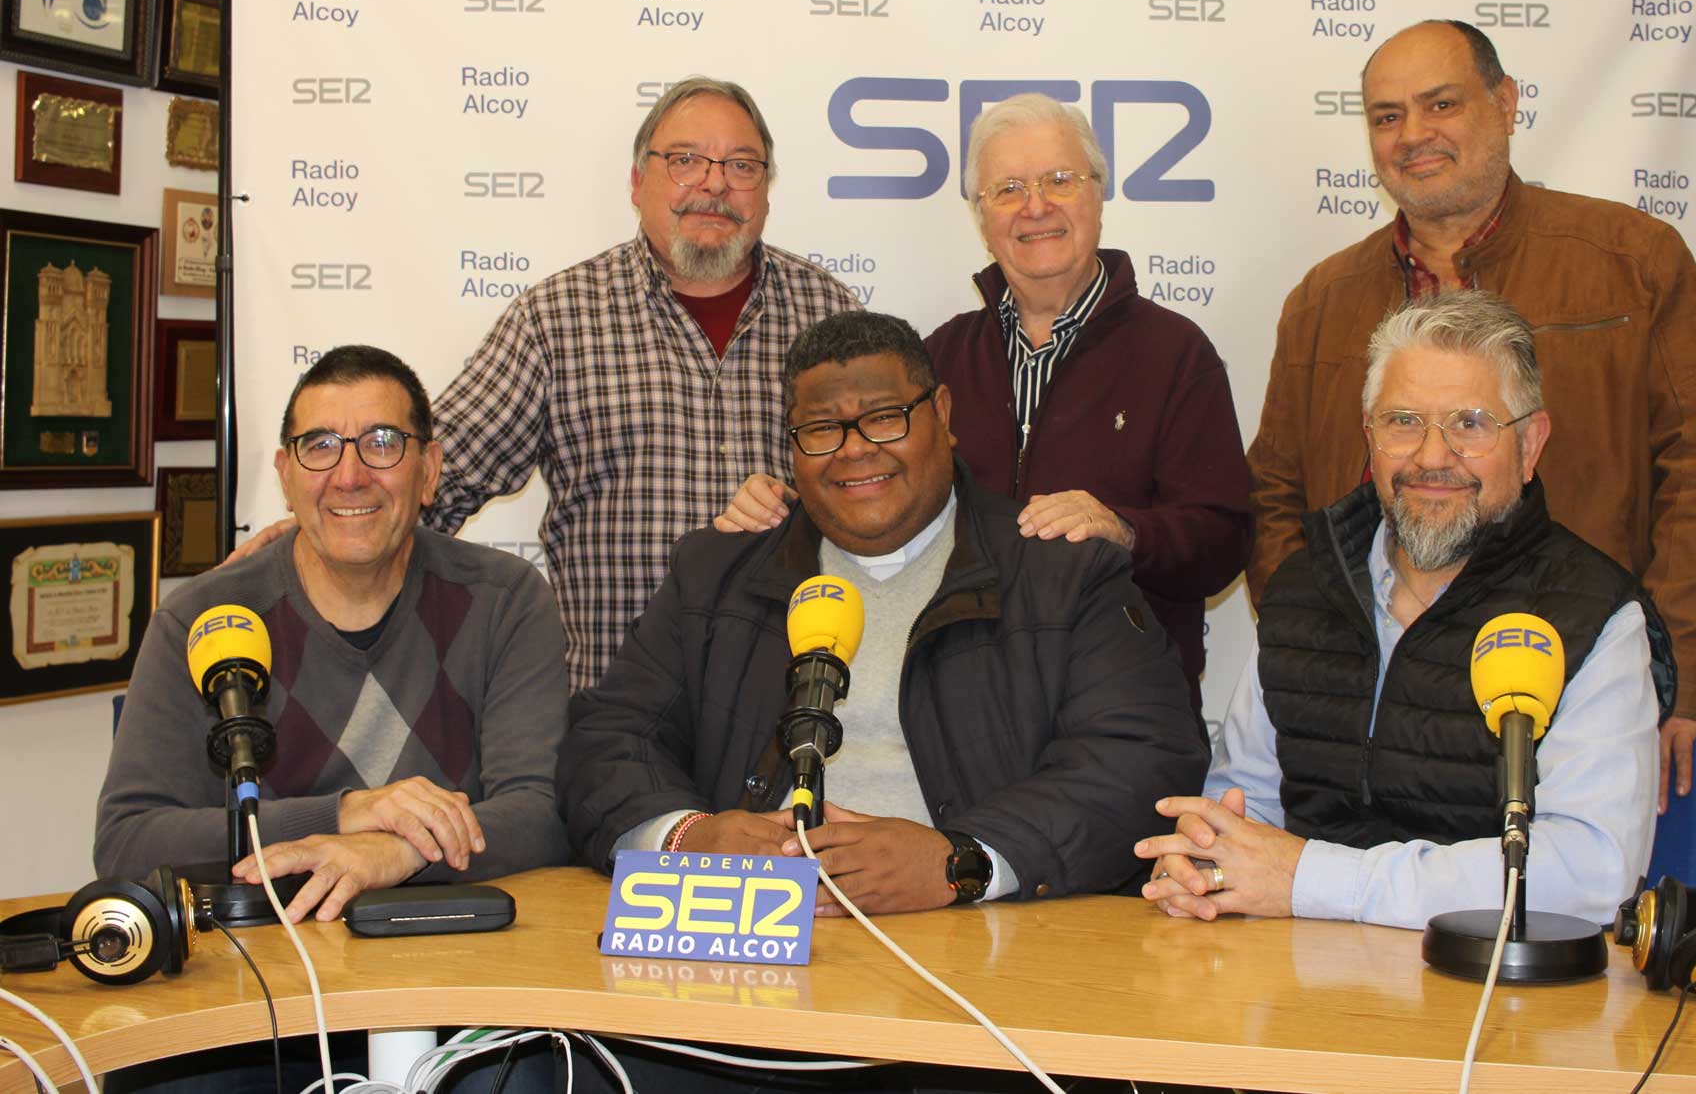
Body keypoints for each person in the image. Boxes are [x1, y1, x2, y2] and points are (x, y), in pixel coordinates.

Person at [1245, 19, 1696, 811]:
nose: (1413, 135)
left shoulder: (1634, 261)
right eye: (1386, 116)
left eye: (1440, 103)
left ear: (1507, 102)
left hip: (1583, 700)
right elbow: (1273, 490)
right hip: (1368, 723)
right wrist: (1318, 658)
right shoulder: (1321, 302)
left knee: (1574, 916)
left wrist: (1672, 671)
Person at [232, 77, 862, 693]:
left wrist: (802, 511)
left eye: (742, 165)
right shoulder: (557, 318)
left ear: (767, 192)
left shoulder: (831, 315)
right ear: (639, 182)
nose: (715, 183)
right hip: (615, 713)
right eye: (686, 159)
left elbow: (880, 493)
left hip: (793, 697)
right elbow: (431, 475)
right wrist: (313, 536)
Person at [560, 310, 1204, 906]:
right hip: (749, 936)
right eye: (820, 429)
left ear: (943, 415)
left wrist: (963, 861)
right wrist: (685, 837)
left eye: (885, 416)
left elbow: (1141, 757)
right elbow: (609, 740)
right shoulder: (717, 571)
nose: (854, 448)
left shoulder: (1060, 569)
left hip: (976, 949)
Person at [94, 345, 575, 1091]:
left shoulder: (505, 600)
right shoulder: (202, 619)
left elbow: (542, 814)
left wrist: (399, 852)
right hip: (256, 1005)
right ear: (285, 475)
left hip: (462, 991)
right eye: (319, 445)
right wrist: (344, 816)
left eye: (383, 442)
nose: (350, 474)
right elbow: (127, 841)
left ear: (430, 469)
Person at [1140, 292, 1670, 929]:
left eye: (1470, 423)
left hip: (1492, 998)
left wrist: (1315, 880)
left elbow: (1589, 871)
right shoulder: (1305, 585)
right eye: (1403, 421)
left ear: (1530, 445)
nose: (1432, 456)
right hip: (1294, 989)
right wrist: (1205, 866)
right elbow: (1244, 801)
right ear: (1369, 437)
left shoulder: (1595, 614)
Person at [715, 94, 1252, 701]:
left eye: (1059, 179)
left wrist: (1125, 531)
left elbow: (1224, 542)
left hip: (1121, 698)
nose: (1036, 206)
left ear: (1099, 193)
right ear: (981, 216)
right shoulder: (936, 358)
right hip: (961, 707)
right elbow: (870, 494)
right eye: (1008, 189)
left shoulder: (1176, 354)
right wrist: (786, 507)